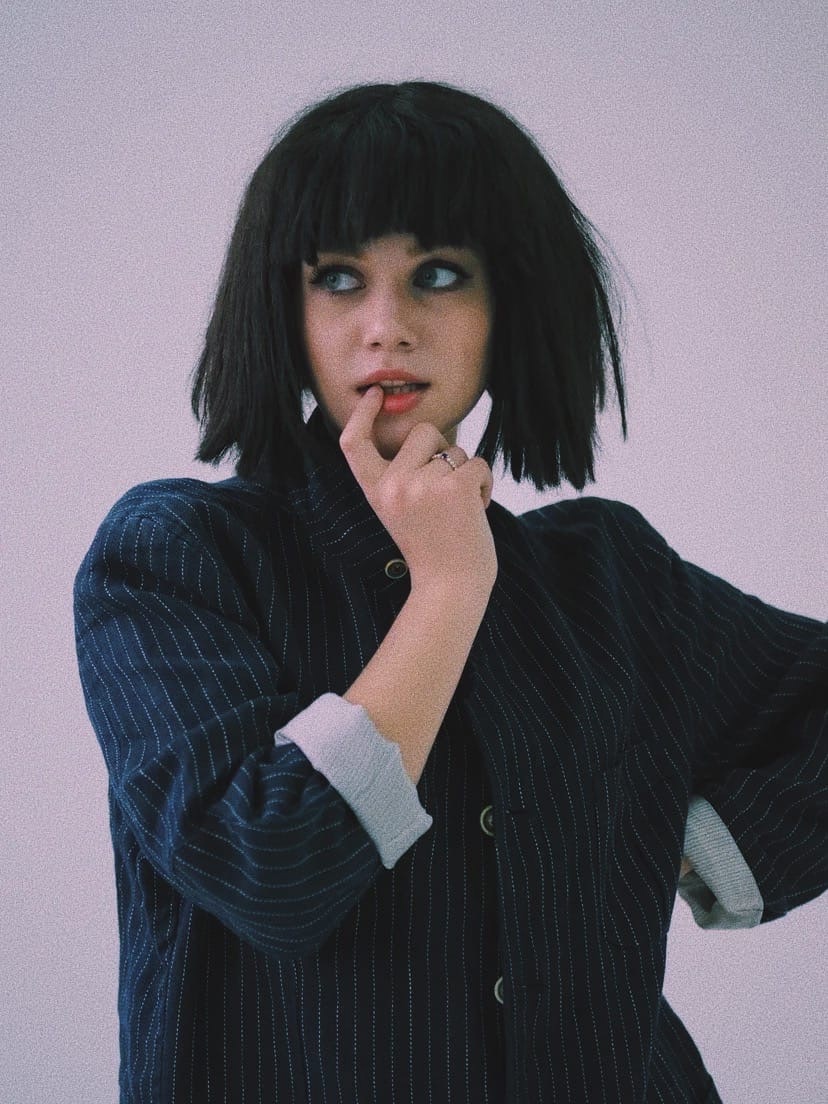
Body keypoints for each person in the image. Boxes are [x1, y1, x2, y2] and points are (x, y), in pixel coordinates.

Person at [73, 80, 827, 1104]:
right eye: (340, 278)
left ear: (510, 303)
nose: (386, 327)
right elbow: (276, 871)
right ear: (283, 307)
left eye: (438, 274)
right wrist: (449, 585)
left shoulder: (611, 580)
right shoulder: (175, 557)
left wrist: (682, 848)